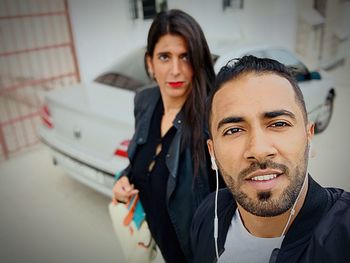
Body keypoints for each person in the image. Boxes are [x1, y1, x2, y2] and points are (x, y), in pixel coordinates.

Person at [191, 55, 350, 263]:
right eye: (234, 130)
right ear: (212, 152)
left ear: (308, 135)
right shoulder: (207, 215)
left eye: (279, 124)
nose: (259, 150)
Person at [112, 9, 217, 263]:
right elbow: (144, 161)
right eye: (164, 57)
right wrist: (122, 180)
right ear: (150, 63)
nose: (176, 70)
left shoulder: (211, 119)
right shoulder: (145, 102)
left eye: (185, 57)